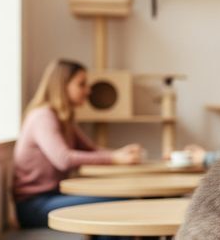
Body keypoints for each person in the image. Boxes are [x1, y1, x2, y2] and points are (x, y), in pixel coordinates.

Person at [13, 59, 143, 228]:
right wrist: (114, 158)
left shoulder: (63, 117)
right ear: (62, 86)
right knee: (119, 202)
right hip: (35, 205)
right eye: (81, 84)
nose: (88, 91)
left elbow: (91, 149)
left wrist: (120, 153)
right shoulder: (43, 117)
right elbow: (64, 159)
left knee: (120, 201)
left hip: (54, 196)